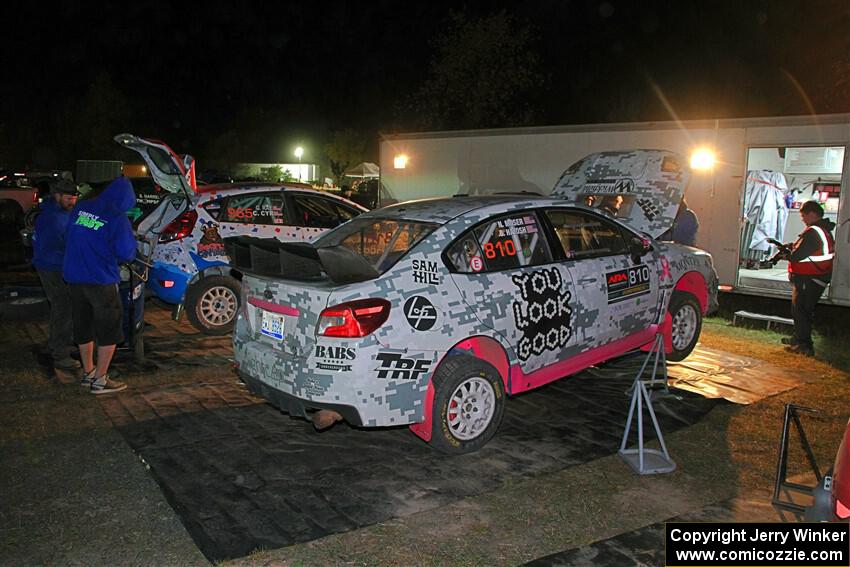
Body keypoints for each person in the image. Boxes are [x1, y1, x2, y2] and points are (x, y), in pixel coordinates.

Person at [63, 176, 137, 394]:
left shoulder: (82, 207)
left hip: (75, 277)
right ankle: (101, 379)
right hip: (100, 279)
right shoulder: (117, 217)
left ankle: (88, 372)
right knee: (109, 328)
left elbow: (68, 234)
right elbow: (126, 252)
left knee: (83, 324)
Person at [32, 179, 79, 371]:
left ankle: (61, 341)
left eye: (75, 198)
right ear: (57, 195)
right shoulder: (51, 218)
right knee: (63, 306)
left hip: (59, 265)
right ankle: (60, 353)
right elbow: (57, 246)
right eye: (68, 198)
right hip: (52, 267)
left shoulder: (64, 213)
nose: (72, 202)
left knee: (65, 306)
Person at [780, 200, 835, 357]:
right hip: (816, 277)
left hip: (809, 279)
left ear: (812, 214)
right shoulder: (823, 230)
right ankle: (799, 339)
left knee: (801, 310)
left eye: (803, 215)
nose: (802, 219)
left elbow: (798, 256)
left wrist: (786, 255)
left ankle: (804, 345)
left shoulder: (813, 232)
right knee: (803, 310)